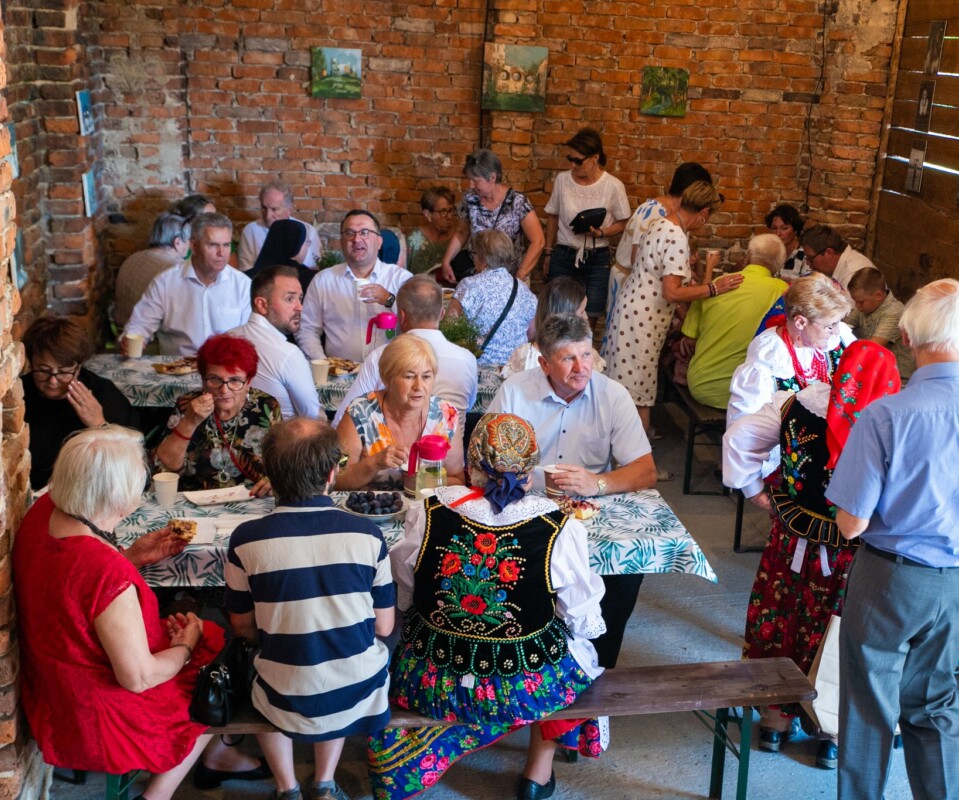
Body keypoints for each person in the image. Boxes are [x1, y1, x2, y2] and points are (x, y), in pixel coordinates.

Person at [825, 278, 959, 800]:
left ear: (905, 337)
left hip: (890, 577)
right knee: (935, 702)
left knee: (869, 707)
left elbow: (850, 523)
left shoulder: (885, 414)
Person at [14, 426, 271, 800]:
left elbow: (75, 590)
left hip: (55, 682)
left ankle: (216, 755)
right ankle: (157, 795)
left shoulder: (44, 510)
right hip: (100, 711)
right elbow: (138, 677)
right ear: (118, 499)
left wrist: (131, 557)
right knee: (216, 668)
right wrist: (185, 647)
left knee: (210, 643)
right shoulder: (104, 570)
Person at [367, 413, 606, 800]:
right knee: (574, 655)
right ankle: (536, 775)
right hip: (518, 689)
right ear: (530, 472)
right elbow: (582, 615)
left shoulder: (428, 511)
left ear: (471, 465)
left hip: (431, 679)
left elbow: (408, 589)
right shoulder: (559, 527)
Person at [723, 341, 901, 769]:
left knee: (782, 615)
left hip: (791, 541)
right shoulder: (892, 422)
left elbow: (738, 438)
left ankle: (774, 720)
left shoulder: (797, 402)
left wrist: (754, 490)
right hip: (852, 556)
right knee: (838, 630)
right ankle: (831, 733)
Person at [225, 418, 395, 800]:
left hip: (282, 692)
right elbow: (384, 627)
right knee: (345, 652)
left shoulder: (245, 540)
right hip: (356, 692)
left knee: (267, 663)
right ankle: (324, 783)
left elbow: (241, 627)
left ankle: (287, 788)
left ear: (269, 475)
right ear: (332, 473)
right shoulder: (368, 534)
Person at [489, 314, 656, 668]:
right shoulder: (515, 391)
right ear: (544, 364)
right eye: (568, 358)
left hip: (589, 512)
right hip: (524, 507)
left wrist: (597, 483)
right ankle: (533, 662)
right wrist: (513, 478)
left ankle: (599, 664)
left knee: (627, 570)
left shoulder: (613, 395)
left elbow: (645, 470)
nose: (582, 368)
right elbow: (484, 460)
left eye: (587, 355)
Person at [603, 181, 742, 433]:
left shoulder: (661, 223)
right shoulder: (677, 237)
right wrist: (714, 288)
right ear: (703, 213)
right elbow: (672, 291)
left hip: (631, 309)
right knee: (639, 394)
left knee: (624, 386)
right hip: (644, 318)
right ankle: (636, 455)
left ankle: (620, 449)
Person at [335, 334, 464, 492]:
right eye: (409, 376)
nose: (419, 386)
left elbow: (458, 480)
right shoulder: (359, 413)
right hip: (371, 506)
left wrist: (426, 482)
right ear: (387, 379)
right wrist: (374, 463)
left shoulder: (445, 416)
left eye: (426, 376)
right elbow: (337, 478)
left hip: (426, 506)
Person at [153, 334, 279, 494]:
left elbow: (281, 464)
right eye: (215, 379)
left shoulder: (266, 406)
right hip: (195, 498)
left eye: (235, 380)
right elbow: (166, 466)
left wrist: (273, 480)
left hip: (251, 498)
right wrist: (189, 422)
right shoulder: (187, 405)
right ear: (203, 380)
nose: (224, 390)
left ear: (248, 382)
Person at [336, 276, 479, 417]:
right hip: (451, 433)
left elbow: (346, 415)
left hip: (394, 433)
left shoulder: (381, 357)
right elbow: (467, 407)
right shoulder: (468, 359)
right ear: (442, 314)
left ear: (402, 316)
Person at [22, 316, 138, 490]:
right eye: (43, 371)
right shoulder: (19, 395)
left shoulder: (102, 393)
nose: (53, 381)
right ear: (31, 363)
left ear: (78, 368)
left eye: (64, 372)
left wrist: (99, 425)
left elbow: (132, 463)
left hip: (88, 491)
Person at [727, 272, 855, 427]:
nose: (836, 331)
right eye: (830, 326)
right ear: (800, 322)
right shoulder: (770, 356)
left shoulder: (839, 338)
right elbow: (746, 429)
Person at [679, 233, 788, 409]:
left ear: (748, 256)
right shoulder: (783, 291)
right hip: (751, 391)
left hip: (702, 385)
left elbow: (690, 338)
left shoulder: (717, 285)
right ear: (779, 265)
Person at [542, 128, 632, 340]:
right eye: (570, 159)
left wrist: (601, 232)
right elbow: (552, 216)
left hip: (596, 257)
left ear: (595, 158)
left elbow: (623, 222)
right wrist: (548, 252)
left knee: (589, 317)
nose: (573, 165)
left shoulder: (612, 186)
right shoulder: (563, 180)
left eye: (578, 160)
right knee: (556, 314)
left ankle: (582, 356)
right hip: (564, 253)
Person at [122, 213, 252, 356]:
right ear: (194, 246)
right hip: (177, 364)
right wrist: (132, 339)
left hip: (225, 365)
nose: (221, 253)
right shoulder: (166, 282)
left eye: (226, 245)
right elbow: (141, 324)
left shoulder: (243, 285)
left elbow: (250, 336)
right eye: (213, 245)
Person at [297, 210, 413, 363]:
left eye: (364, 232)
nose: (357, 239)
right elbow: (307, 329)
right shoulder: (323, 281)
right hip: (339, 372)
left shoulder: (401, 279)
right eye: (349, 233)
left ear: (379, 242)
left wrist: (389, 299)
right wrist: (322, 363)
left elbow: (417, 324)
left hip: (390, 370)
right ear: (341, 242)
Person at [608, 162, 712, 323]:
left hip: (652, 291)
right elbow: (636, 259)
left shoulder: (678, 215)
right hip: (633, 286)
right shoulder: (654, 211)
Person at [228, 265, 322, 420]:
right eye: (290, 299)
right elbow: (314, 419)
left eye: (300, 299)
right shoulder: (288, 355)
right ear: (262, 305)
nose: (300, 307)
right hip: (282, 435)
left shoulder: (224, 339)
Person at [440, 148, 545, 284]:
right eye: (469, 180)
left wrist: (520, 275)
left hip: (511, 277)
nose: (471, 185)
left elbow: (538, 241)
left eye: (475, 181)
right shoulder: (470, 198)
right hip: (478, 276)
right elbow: (461, 232)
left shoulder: (517, 202)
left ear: (492, 178)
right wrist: (446, 260)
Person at [446, 229, 537, 365]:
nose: (473, 259)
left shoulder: (469, 285)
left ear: (484, 260)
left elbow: (449, 326)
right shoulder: (526, 292)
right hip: (514, 368)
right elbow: (531, 333)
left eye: (475, 254)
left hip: (477, 366)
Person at [502, 276, 606, 378]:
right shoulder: (586, 356)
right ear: (564, 316)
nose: (586, 317)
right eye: (582, 311)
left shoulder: (523, 354)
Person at [114, 212, 189, 329]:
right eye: (189, 240)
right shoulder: (177, 269)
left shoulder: (133, 257)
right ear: (178, 243)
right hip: (151, 336)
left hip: (121, 331)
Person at [844, 267, 915, 380]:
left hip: (898, 380)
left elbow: (871, 347)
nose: (857, 306)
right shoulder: (865, 307)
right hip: (877, 372)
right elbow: (843, 325)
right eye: (855, 301)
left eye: (861, 302)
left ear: (878, 295)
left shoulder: (894, 312)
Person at [236, 181, 322, 272]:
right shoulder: (250, 231)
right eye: (264, 208)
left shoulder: (308, 231)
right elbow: (246, 273)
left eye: (274, 209)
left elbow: (316, 267)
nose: (268, 216)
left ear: (289, 210)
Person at [245, 217, 317, 293]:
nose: (307, 247)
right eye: (306, 242)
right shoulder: (308, 278)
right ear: (296, 244)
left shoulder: (246, 277)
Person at [799, 224, 874, 291]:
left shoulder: (852, 275)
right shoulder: (834, 267)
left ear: (829, 253)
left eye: (810, 258)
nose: (807, 262)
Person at [405, 186, 456, 275]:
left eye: (451, 210)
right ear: (427, 214)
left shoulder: (458, 239)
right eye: (443, 212)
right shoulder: (414, 240)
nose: (449, 216)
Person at [766, 203, 807, 280]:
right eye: (774, 228)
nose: (778, 233)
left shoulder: (805, 256)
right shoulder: (768, 254)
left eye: (784, 228)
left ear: (795, 230)